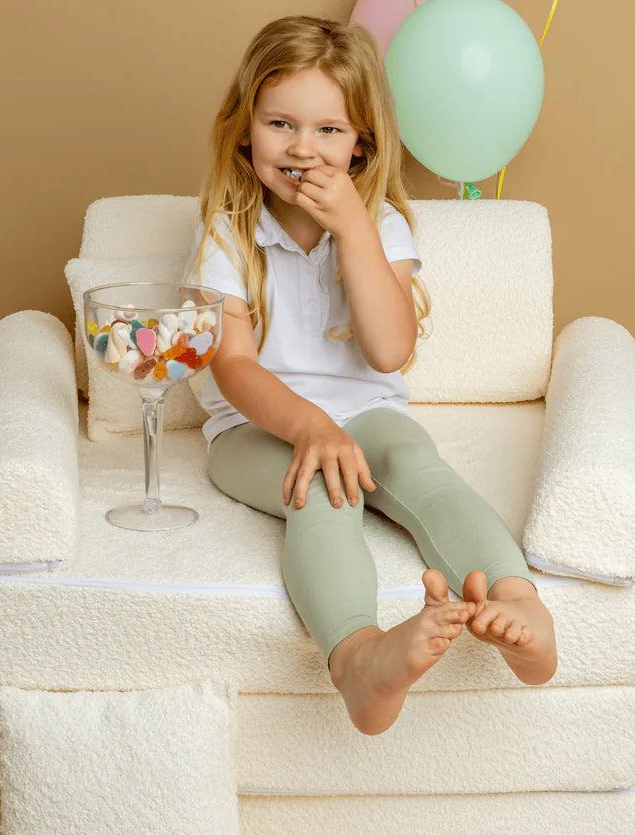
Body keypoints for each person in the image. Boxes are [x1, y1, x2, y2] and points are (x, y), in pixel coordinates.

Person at [185, 15, 557, 736]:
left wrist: (353, 231)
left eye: (329, 130)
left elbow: (388, 353)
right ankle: (358, 659)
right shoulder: (227, 231)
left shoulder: (380, 224)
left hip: (366, 412)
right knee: (326, 491)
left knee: (419, 467)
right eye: (280, 124)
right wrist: (309, 428)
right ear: (245, 130)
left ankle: (519, 603)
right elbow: (232, 366)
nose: (302, 148)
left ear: (360, 143)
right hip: (255, 428)